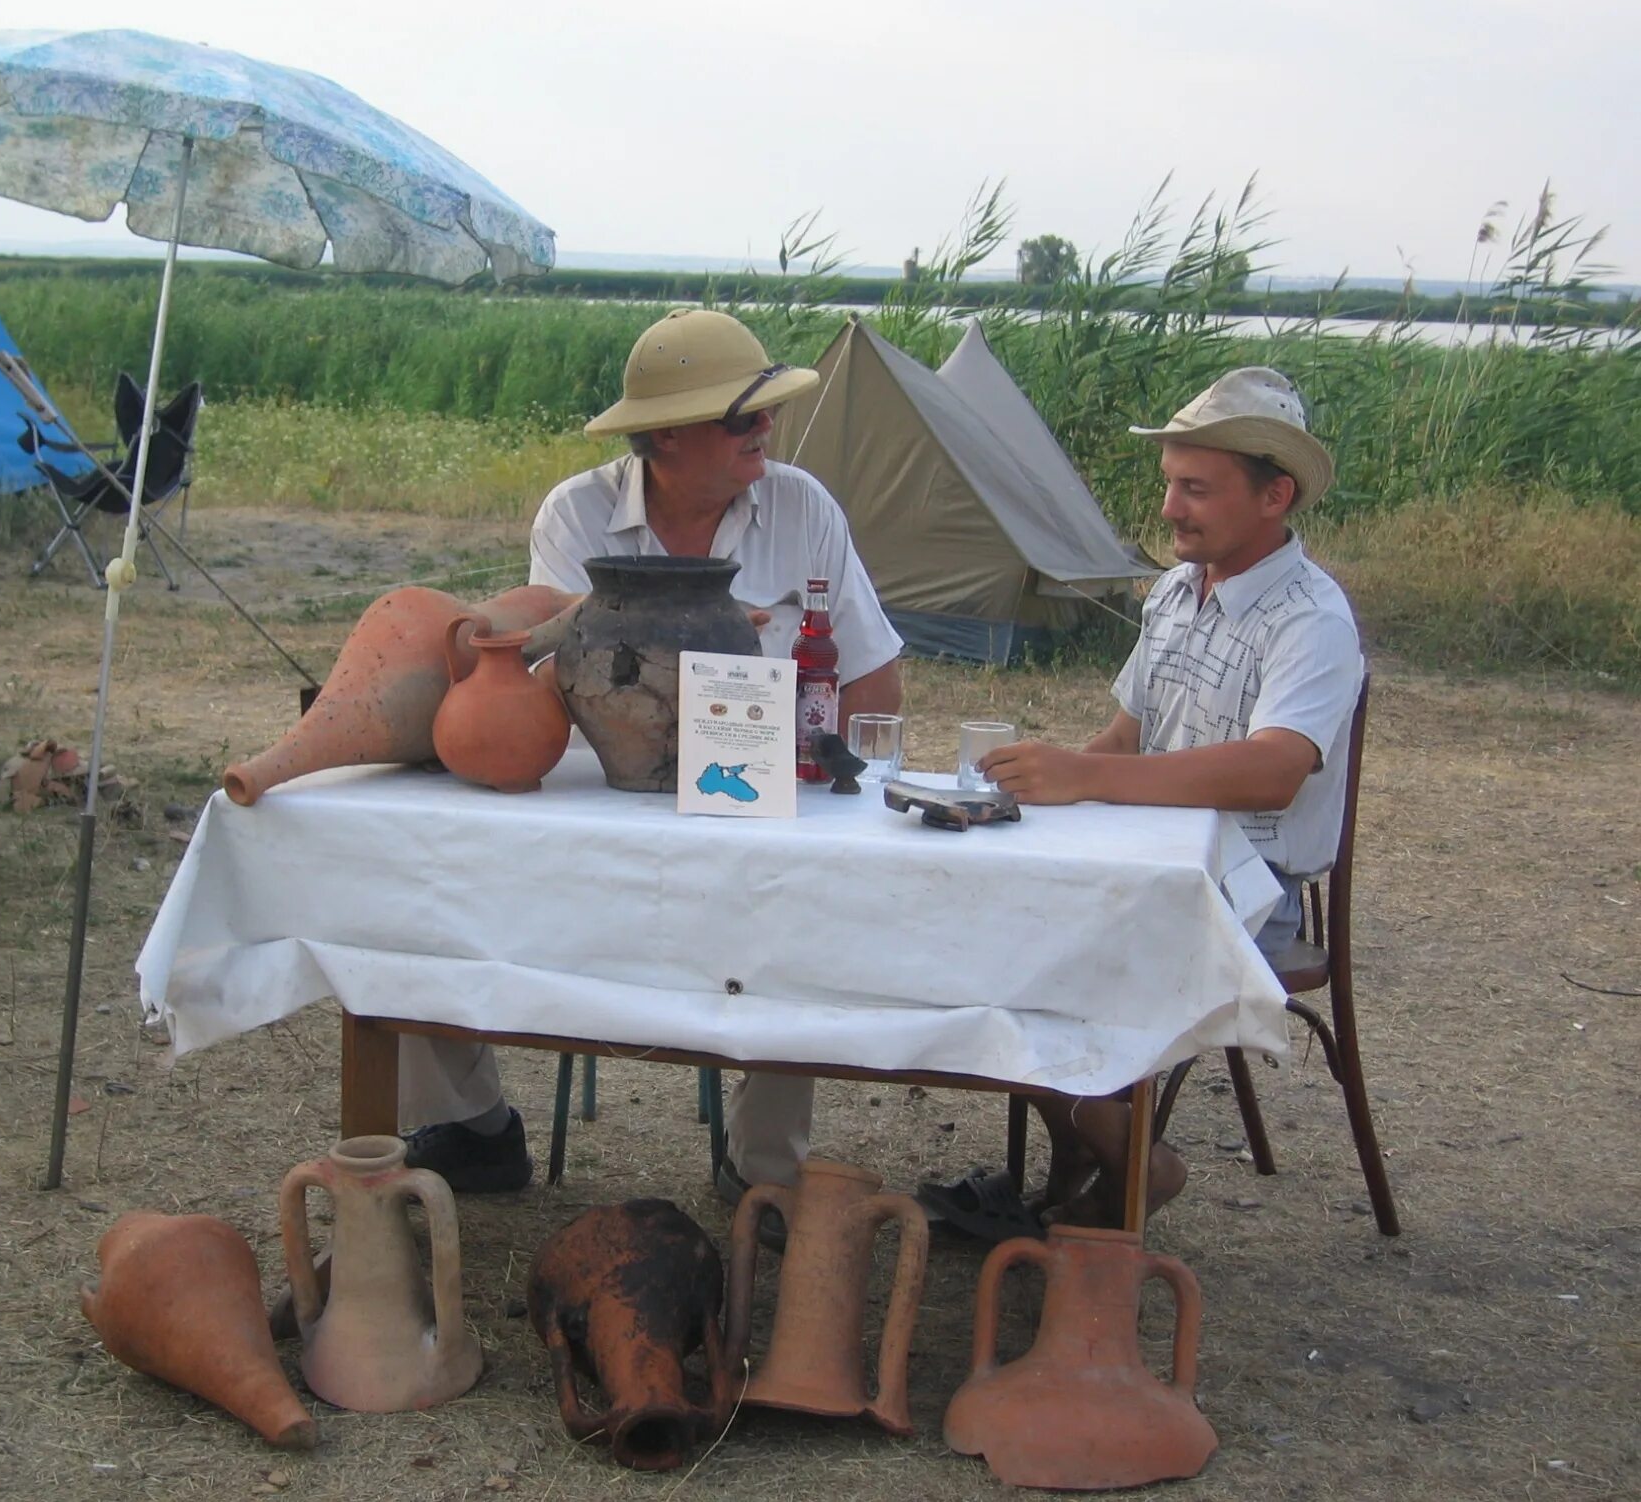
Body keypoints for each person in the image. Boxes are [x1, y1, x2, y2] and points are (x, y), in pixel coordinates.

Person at [399, 307, 905, 1196]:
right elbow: (539, 676)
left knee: (800, 914)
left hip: (758, 816)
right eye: (742, 417)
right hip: (601, 808)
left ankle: (766, 1177)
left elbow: (870, 677)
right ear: (666, 438)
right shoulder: (580, 512)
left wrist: (831, 784)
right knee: (428, 884)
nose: (766, 430)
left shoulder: (801, 506)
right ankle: (475, 1125)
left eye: (765, 413)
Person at [927, 366, 1363, 1237]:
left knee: (1036, 966)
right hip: (1146, 865)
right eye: (1170, 483)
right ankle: (1105, 1159)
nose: (1169, 509)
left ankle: (1126, 1167)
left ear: (1275, 495)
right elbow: (1127, 738)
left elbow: (1276, 770)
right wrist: (1026, 797)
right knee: (981, 928)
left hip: (1251, 889)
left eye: (1194, 489)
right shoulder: (1175, 589)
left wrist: (1085, 779)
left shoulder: (1310, 618)